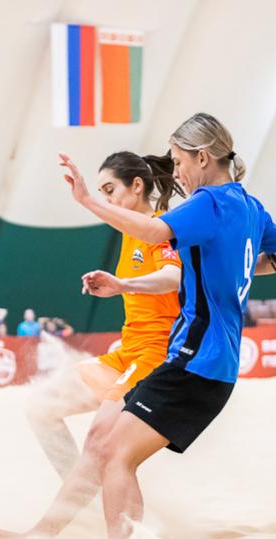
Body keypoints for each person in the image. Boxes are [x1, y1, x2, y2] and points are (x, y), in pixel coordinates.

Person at [0, 113, 276, 539]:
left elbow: (156, 235)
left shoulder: (206, 204)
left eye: (180, 161)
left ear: (203, 157)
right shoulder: (250, 207)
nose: (177, 172)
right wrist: (230, 269)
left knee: (111, 451)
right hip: (186, 357)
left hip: (189, 356)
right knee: (88, 438)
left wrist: (87, 202)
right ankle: (81, 529)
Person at [25, 150, 182, 481]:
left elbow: (174, 277)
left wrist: (123, 284)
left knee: (100, 441)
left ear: (136, 185)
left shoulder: (160, 227)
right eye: (102, 193)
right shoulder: (128, 231)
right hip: (127, 353)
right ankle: (82, 498)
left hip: (155, 355)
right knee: (41, 407)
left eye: (110, 190)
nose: (107, 200)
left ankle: (78, 504)